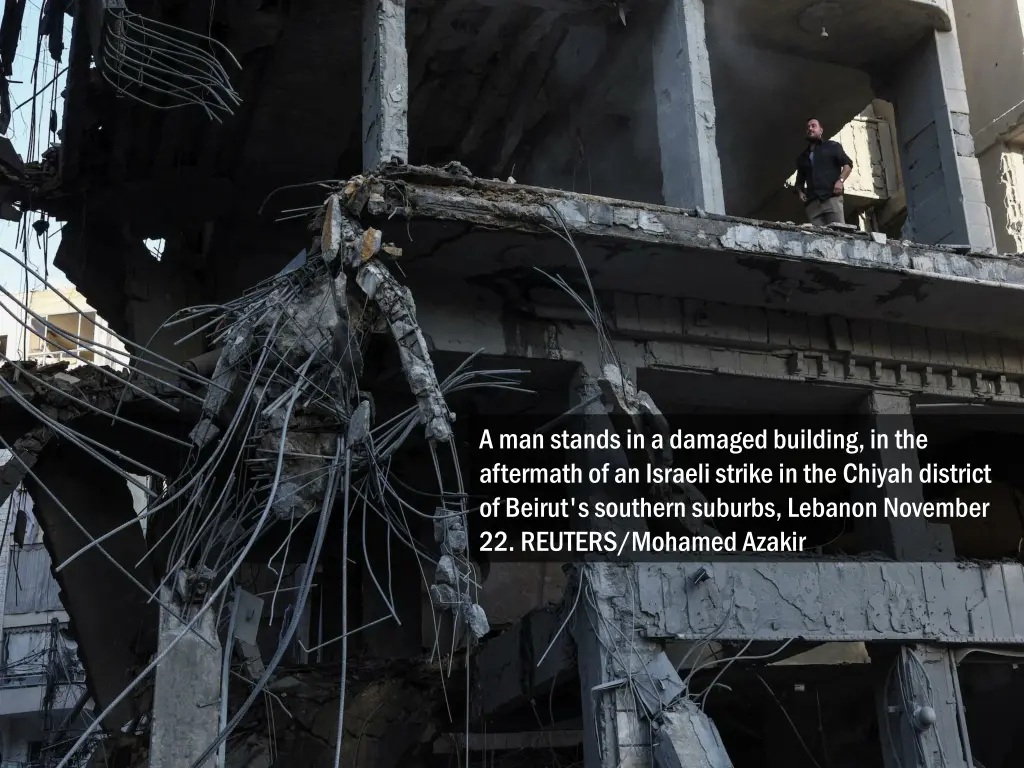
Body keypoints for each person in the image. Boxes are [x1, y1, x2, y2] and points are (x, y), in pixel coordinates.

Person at [794, 118, 853, 226]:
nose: (810, 129)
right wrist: (800, 192)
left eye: (813, 126)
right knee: (819, 238)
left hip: (831, 198)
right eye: (808, 127)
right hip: (813, 205)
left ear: (821, 130)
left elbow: (847, 165)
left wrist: (840, 181)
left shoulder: (832, 146)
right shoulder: (802, 157)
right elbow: (799, 181)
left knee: (839, 234)